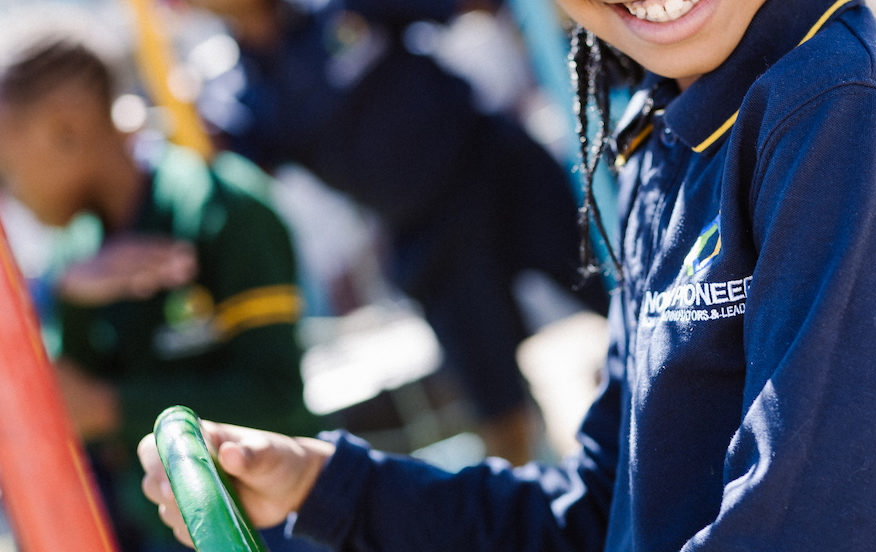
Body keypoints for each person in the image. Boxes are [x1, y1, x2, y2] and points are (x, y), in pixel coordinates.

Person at [140, 0, 876, 549]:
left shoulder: (840, 107)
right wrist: (326, 486)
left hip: (489, 186)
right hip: (433, 246)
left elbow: (809, 529)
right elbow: (596, 521)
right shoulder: (662, 137)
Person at [187, 0, 611, 463]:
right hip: (424, 234)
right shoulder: (235, 97)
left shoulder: (338, 7)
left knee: (627, 298)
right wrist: (201, 138)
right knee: (497, 408)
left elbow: (472, 7)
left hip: (500, 173)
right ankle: (544, 494)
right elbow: (244, 180)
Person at [0, 25, 321, 551]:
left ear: (65, 129)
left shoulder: (222, 209)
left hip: (269, 530)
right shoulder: (71, 256)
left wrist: (109, 407)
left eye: (6, 170)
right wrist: (70, 299)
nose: (10, 197)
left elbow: (278, 400)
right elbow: (66, 406)